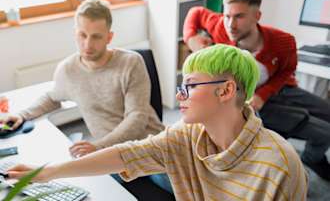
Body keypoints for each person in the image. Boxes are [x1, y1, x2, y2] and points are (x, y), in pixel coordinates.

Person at [7, 45, 308, 200]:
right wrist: (45, 172)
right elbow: (128, 153)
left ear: (226, 91)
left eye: (190, 85)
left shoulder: (278, 166)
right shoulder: (186, 136)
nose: (180, 94)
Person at [183, 0, 330, 181]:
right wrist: (191, 37)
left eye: (239, 17)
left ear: (257, 16)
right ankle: (307, 157)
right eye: (227, 16)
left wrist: (265, 93)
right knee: (322, 131)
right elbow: (195, 12)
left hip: (279, 88)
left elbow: (286, 71)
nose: (230, 24)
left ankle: (311, 155)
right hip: (246, 98)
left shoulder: (284, 41)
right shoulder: (220, 27)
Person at [0, 0, 164, 157]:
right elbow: (52, 98)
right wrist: (22, 115)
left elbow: (137, 118)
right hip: (112, 154)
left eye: (96, 37)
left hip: (150, 145)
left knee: (181, 181)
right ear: (75, 33)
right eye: (82, 35)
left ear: (109, 37)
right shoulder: (68, 70)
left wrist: (99, 146)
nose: (87, 44)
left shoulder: (131, 62)